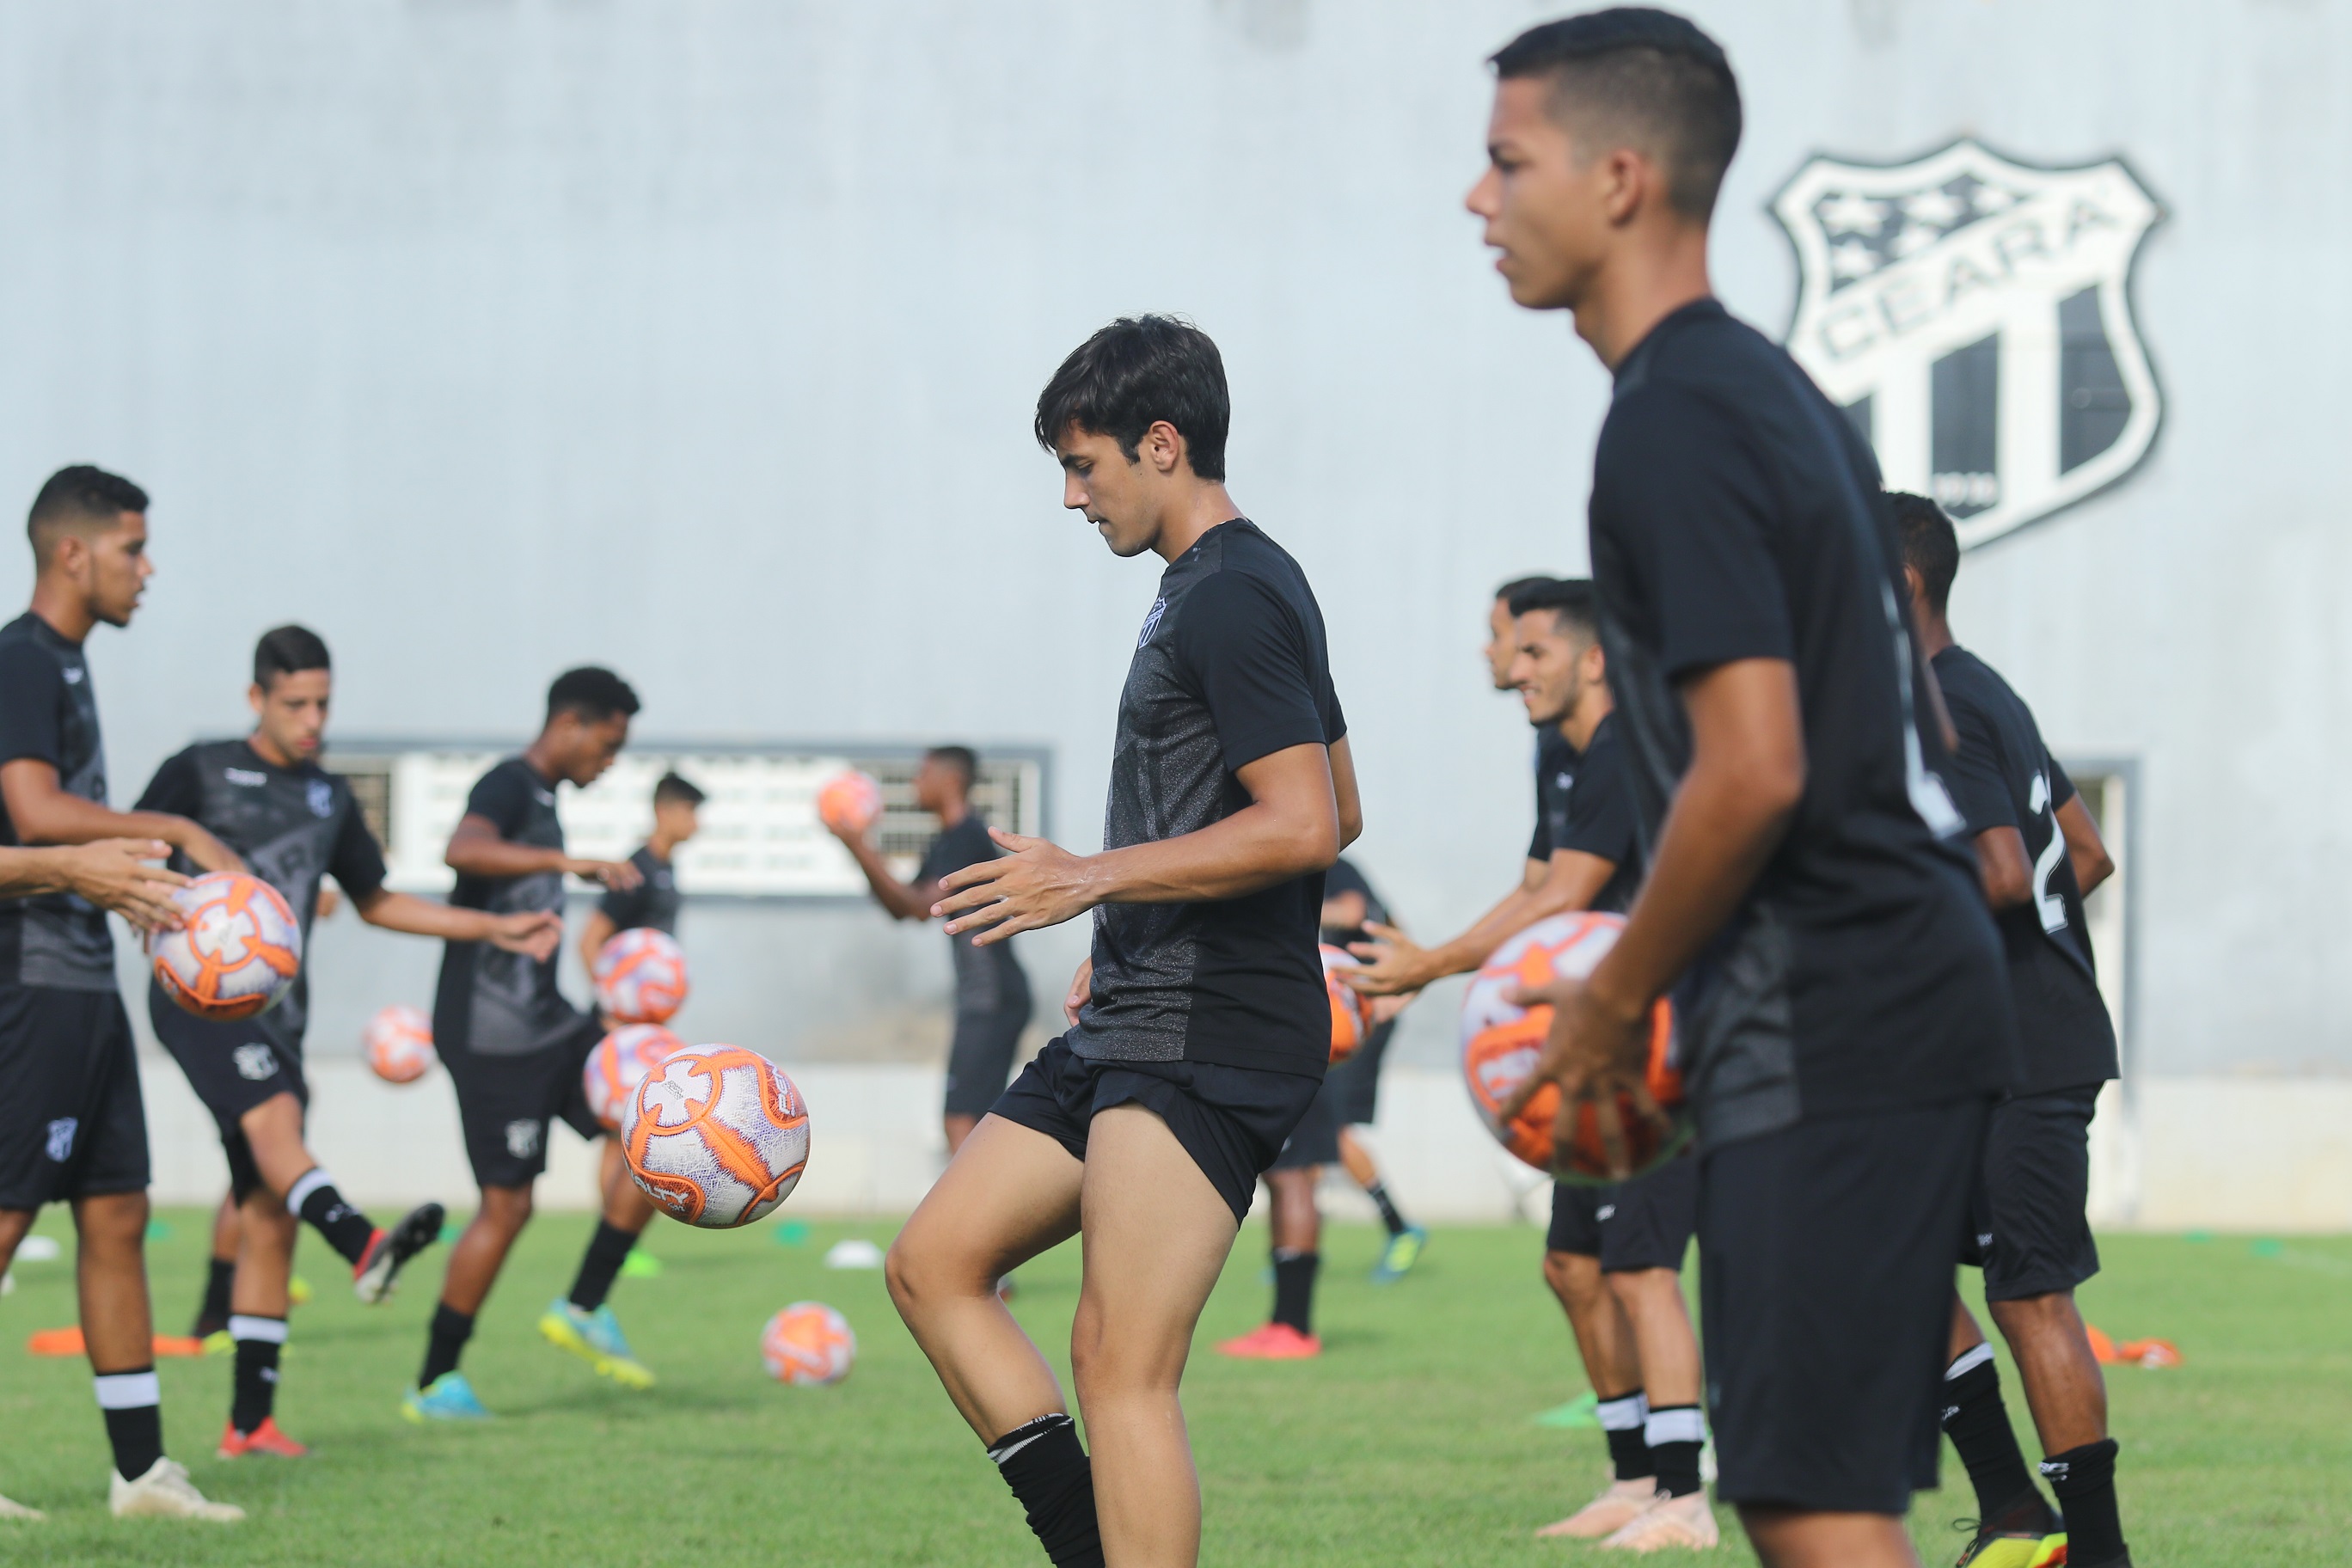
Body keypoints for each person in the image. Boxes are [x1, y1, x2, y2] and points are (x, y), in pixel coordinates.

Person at [1472, 14, 2018, 1566]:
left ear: (1623, 177)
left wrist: (1609, 995)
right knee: (1803, 1492)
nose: (1477, 198)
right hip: (1877, 983)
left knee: (1813, 1501)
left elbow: (1757, 762)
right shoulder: (1764, 390)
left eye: (1508, 161)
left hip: (1839, 995)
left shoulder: (1676, 415)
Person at [885, 315, 1357, 1568]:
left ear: (1163, 443)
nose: (1070, 495)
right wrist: (1142, 906)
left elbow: (1306, 823)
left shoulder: (1239, 592)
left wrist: (1094, 878)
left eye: (1084, 464)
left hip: (1213, 1028)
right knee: (935, 1264)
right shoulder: (1214, 588)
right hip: (1137, 1010)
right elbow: (1336, 802)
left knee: (1121, 1365)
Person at [135, 624, 567, 1458]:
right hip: (197, 999)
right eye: (295, 703)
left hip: (278, 1016)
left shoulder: (330, 797)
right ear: (256, 698)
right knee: (276, 1125)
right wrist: (145, 901)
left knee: (267, 1209)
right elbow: (138, 844)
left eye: (323, 703)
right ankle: (361, 1240)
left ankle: (249, 1424)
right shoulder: (199, 766)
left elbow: (378, 900)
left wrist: (491, 925)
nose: (312, 720)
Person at [0, 465, 244, 1522]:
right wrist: (175, 834)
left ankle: (142, 1475)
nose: (147, 571)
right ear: (73, 552)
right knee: (7, 1221)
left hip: (85, 984)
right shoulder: (21, 658)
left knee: (116, 1213)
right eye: (133, 549)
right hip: (30, 990)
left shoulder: (67, 665)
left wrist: (130, 882)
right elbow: (32, 805)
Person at [1895, 493, 2132, 1568]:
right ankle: (2013, 1514)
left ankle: (2097, 1552)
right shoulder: (1980, 688)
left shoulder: (1937, 703)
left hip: (2025, 1059)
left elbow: (1997, 871)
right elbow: (2083, 852)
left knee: (2031, 1295)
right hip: (1973, 1054)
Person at [1498, 579, 1708, 1548]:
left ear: (1590, 658)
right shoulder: (1558, 749)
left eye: (1525, 647)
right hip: (1593, 1046)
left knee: (1641, 1269)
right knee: (1572, 1265)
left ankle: (1686, 1500)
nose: (1507, 664)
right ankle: (1632, 1480)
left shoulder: (1633, 744)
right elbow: (1541, 886)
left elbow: (1570, 890)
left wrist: (1430, 965)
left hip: (1664, 1046)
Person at [405, 667, 656, 1422]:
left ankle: (583, 1305)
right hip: (492, 1038)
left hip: (549, 1020)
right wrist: (565, 863)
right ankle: (434, 1381)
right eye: (607, 745)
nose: (608, 762)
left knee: (661, 1123)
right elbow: (464, 849)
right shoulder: (509, 785)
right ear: (573, 723)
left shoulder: (546, 799)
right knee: (508, 1207)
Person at [829, 746, 1035, 1155]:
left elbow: (919, 904)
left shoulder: (967, 836)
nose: (914, 784)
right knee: (968, 1119)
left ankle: (977, 1216)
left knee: (961, 1121)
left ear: (950, 780)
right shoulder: (946, 843)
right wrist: (856, 847)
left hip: (992, 996)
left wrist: (857, 844)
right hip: (985, 997)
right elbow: (903, 909)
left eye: (922, 774)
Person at [1315, 858, 1425, 1282]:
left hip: (1357, 1017)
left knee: (1332, 1131)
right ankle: (1296, 1244)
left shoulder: (1329, 864)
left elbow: (1351, 909)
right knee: (1309, 1127)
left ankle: (1400, 1228)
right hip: (1347, 1012)